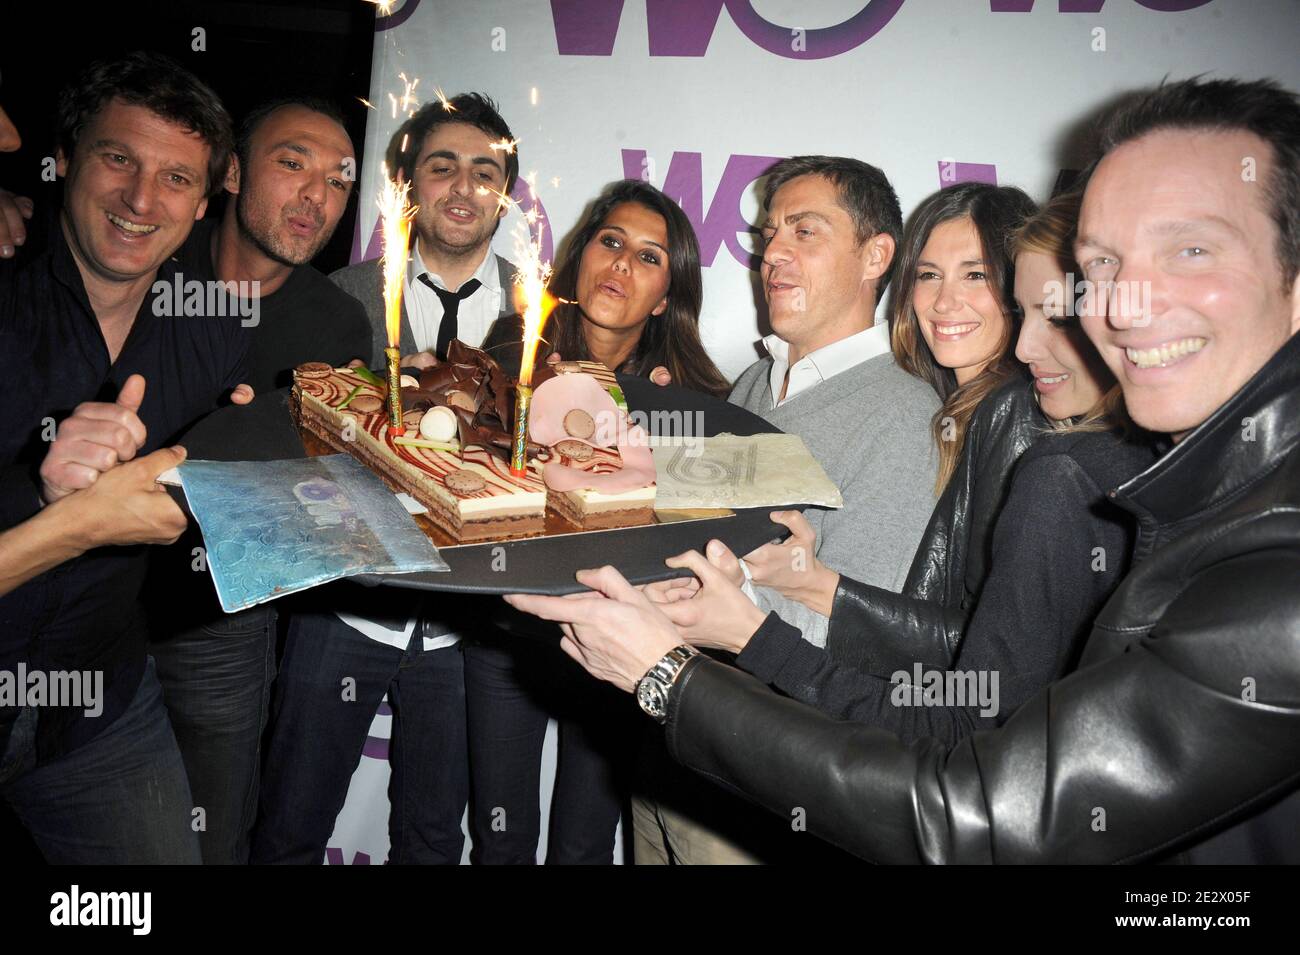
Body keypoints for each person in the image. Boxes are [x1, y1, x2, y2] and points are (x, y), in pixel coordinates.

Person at [505, 76, 1300, 864]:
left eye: (1191, 249)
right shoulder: (1141, 473)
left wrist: (680, 669)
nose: (1123, 304)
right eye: (1098, 267)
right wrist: (793, 589)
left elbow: (971, 781)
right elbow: (969, 689)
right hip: (710, 756)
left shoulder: (1219, 545)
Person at [642, 190, 1160, 750]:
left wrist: (802, 607)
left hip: (920, 753)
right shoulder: (949, 407)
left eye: (976, 275)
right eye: (930, 275)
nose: (944, 302)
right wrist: (815, 583)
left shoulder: (1020, 416)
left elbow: (989, 662)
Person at [633, 156, 942, 865]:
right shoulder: (751, 383)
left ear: (876, 255)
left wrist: (735, 594)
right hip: (671, 750)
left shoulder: (904, 416)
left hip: (757, 802)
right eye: (771, 234)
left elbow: (864, 651)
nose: (772, 253)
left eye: (805, 231)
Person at [253, 92, 524, 865]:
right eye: (442, 168)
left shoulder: (535, 318)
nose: (464, 188)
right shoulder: (340, 298)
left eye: (485, 171)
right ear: (407, 183)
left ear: (505, 193)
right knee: (287, 826)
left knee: (435, 837)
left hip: (465, 634)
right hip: (344, 610)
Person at [0, 51, 246, 863]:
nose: (142, 199)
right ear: (63, 160)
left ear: (205, 202)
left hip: (102, 703)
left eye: (177, 178)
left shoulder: (209, 324)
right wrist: (54, 511)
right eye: (117, 158)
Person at [466, 178, 729, 865]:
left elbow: (700, 543)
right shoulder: (509, 354)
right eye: (611, 242)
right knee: (500, 838)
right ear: (581, 257)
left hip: (616, 645)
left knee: (583, 846)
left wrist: (662, 453)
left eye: (649, 257)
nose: (621, 265)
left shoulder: (692, 400)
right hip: (509, 632)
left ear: (667, 295)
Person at [144, 96, 371, 865]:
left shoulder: (337, 327)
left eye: (338, 179)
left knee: (212, 835)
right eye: (293, 163)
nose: (317, 195)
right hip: (82, 606)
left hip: (219, 622)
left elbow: (323, 497)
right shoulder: (150, 256)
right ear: (234, 171)